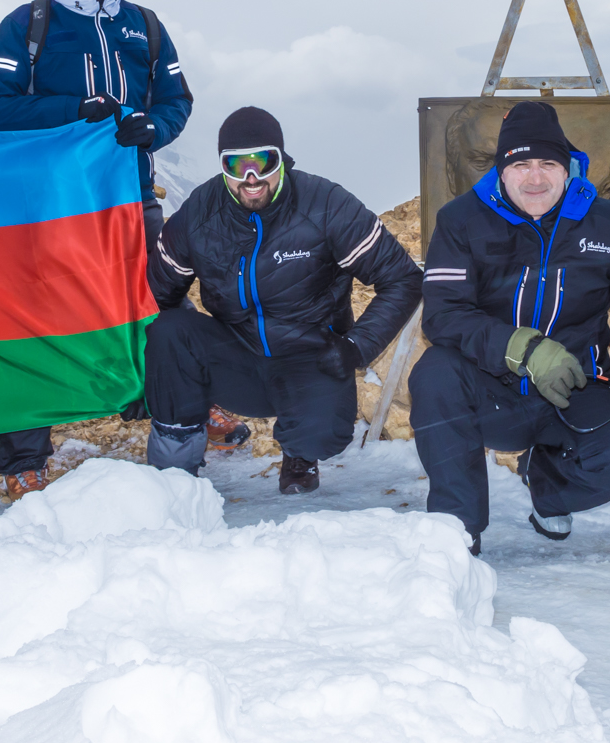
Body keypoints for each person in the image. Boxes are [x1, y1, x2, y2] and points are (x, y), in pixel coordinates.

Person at [0, 0, 196, 492]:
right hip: (44, 204)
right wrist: (74, 109)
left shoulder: (144, 25)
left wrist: (155, 129)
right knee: (33, 316)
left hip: (128, 195)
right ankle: (24, 457)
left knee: (159, 299)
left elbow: (176, 99)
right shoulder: (28, 24)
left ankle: (184, 406)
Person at [410, 101, 610, 552]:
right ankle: (456, 531)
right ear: (502, 169)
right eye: (521, 164)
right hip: (489, 387)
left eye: (548, 163)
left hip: (573, 388)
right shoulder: (460, 221)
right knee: (435, 373)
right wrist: (524, 349)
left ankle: (548, 487)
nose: (535, 178)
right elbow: (443, 313)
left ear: (568, 166)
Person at [144, 106, 422, 492]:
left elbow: (403, 278)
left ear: (282, 159)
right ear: (223, 166)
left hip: (310, 356)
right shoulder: (199, 215)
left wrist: (356, 348)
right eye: (237, 165)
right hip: (236, 353)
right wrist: (150, 375)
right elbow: (156, 294)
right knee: (168, 331)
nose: (251, 178)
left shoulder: (325, 206)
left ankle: (300, 454)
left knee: (325, 436)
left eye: (263, 161)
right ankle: (175, 472)